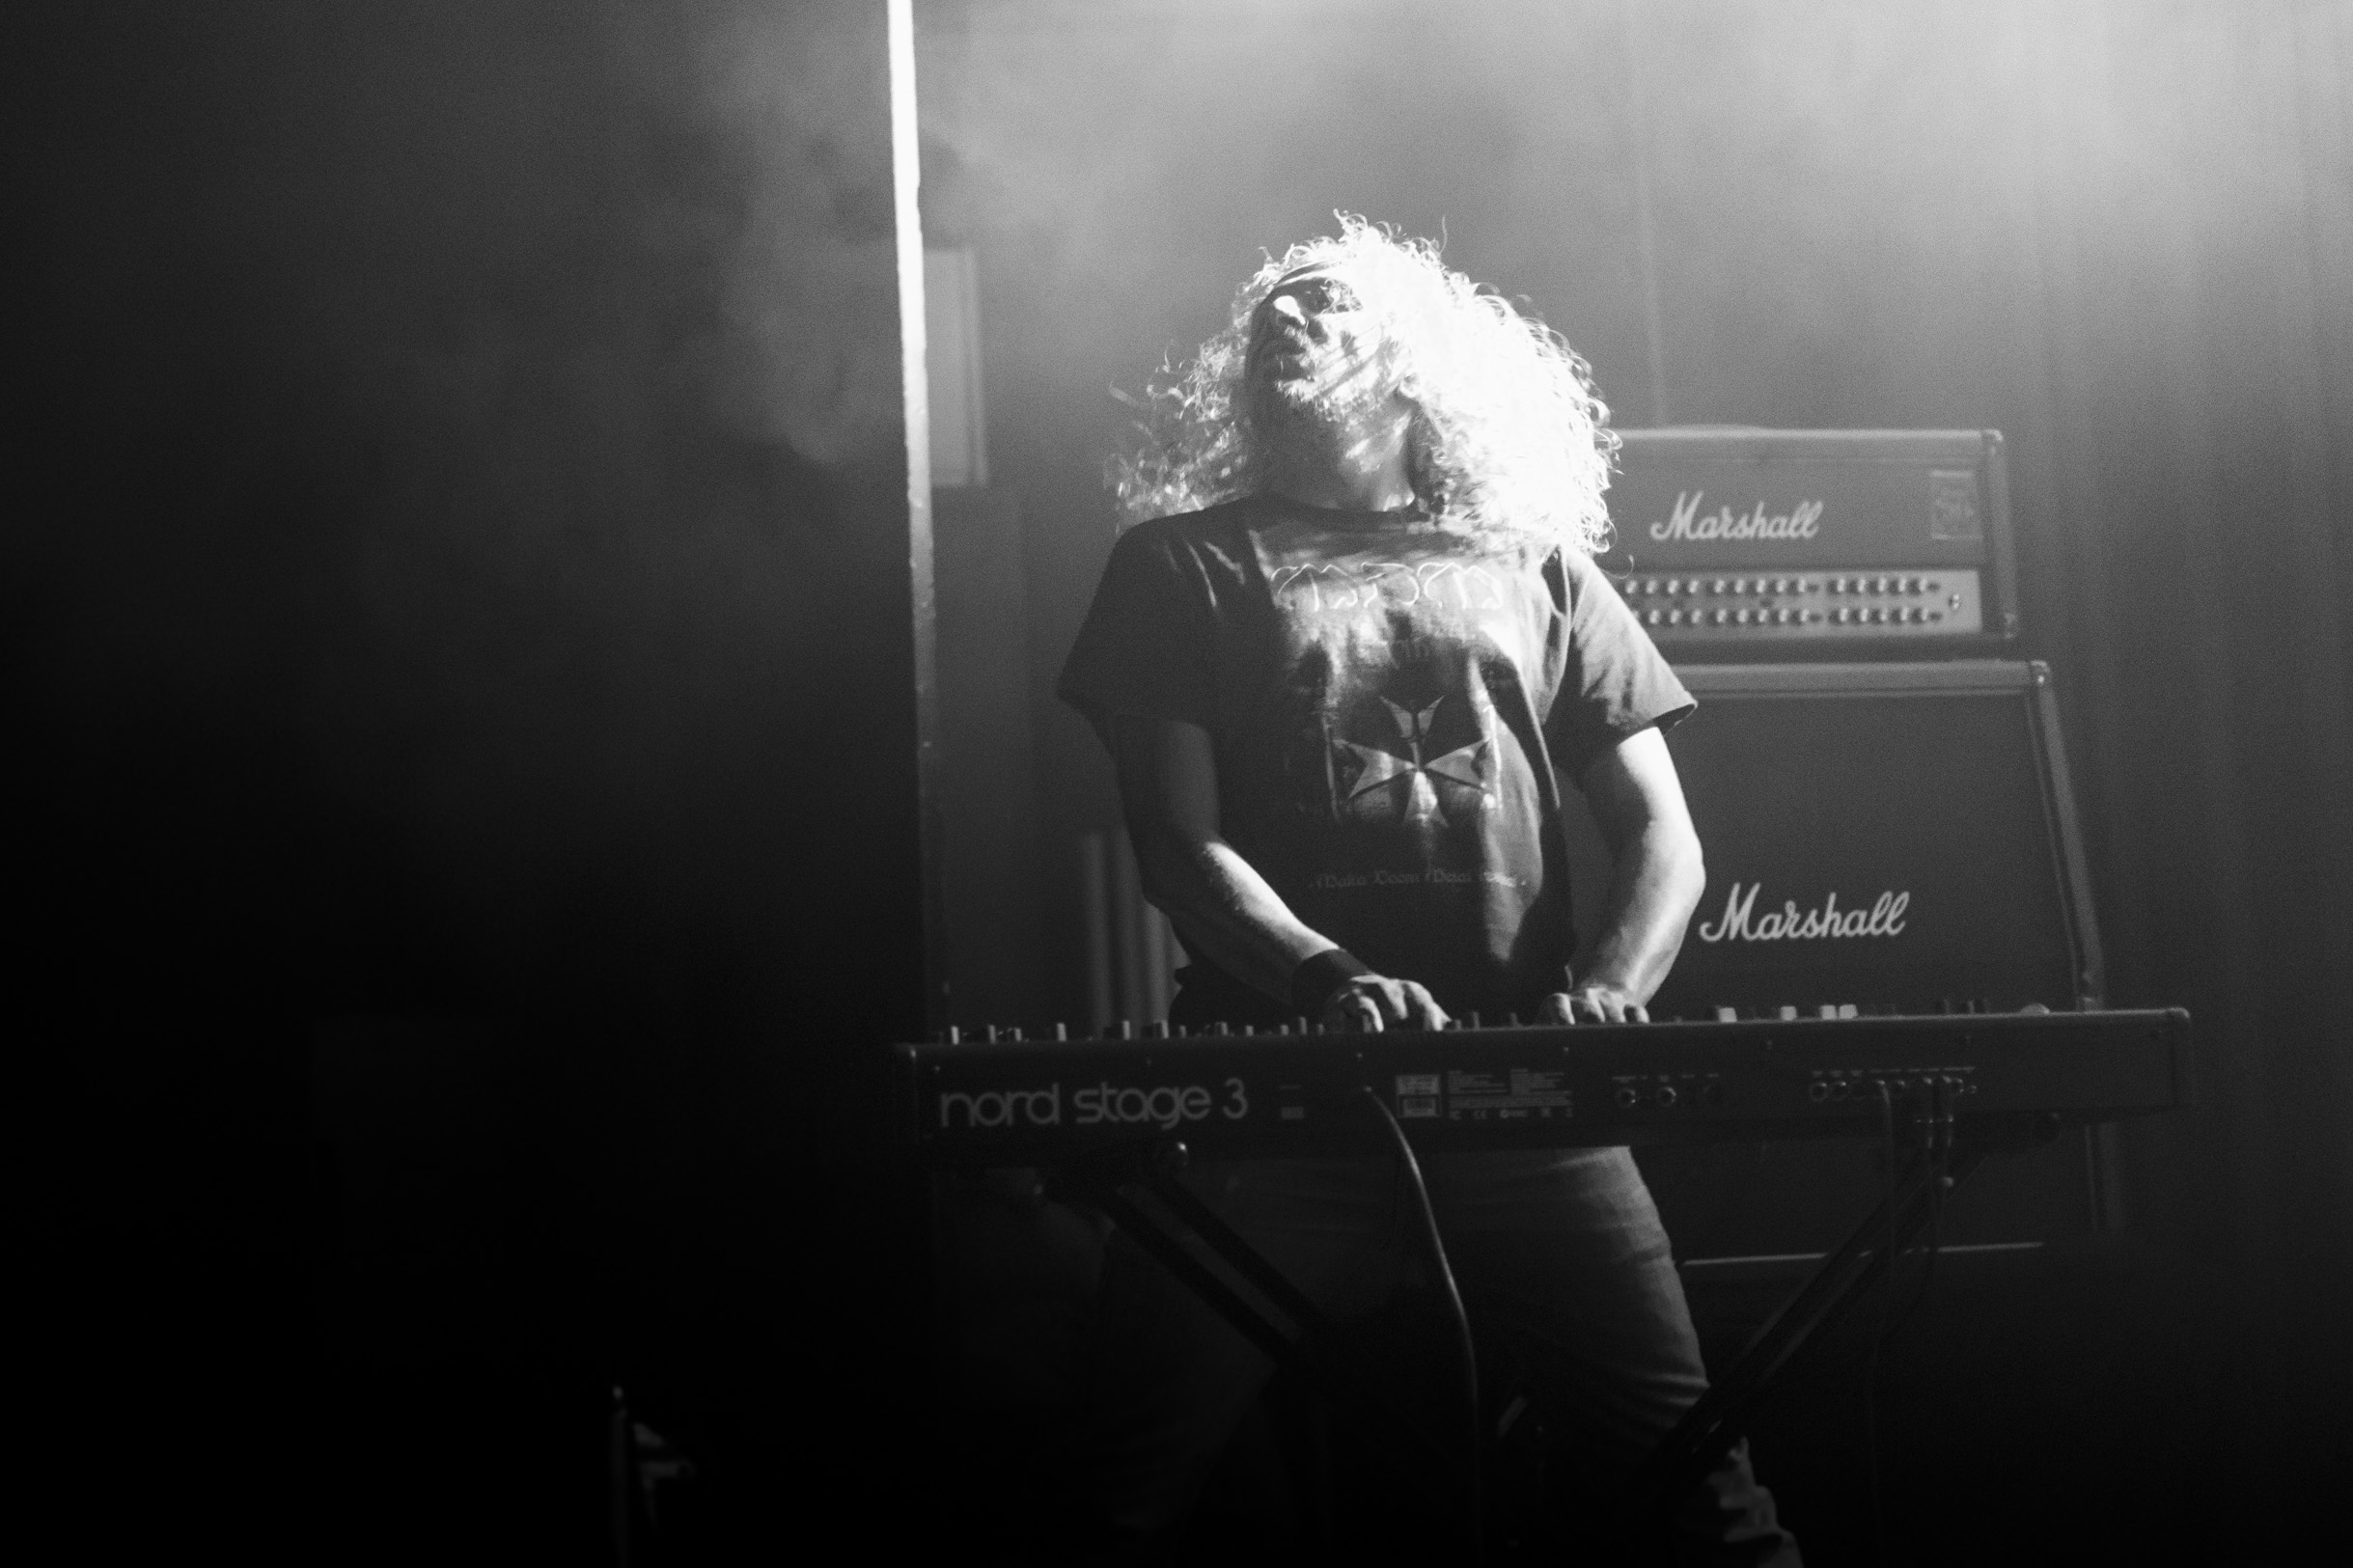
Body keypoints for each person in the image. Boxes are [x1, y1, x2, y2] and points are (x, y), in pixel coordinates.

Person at [1055, 217, 1798, 1564]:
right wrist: (1325, 979)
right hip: (1274, 1108)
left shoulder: (1536, 562)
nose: (1284, 320)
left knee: (1708, 1505)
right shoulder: (1178, 564)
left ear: (1415, 362)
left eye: (1324, 301)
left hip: (1533, 1114)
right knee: (1114, 1500)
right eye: (1268, 312)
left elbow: (1664, 840)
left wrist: (1604, 1001)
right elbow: (1175, 843)